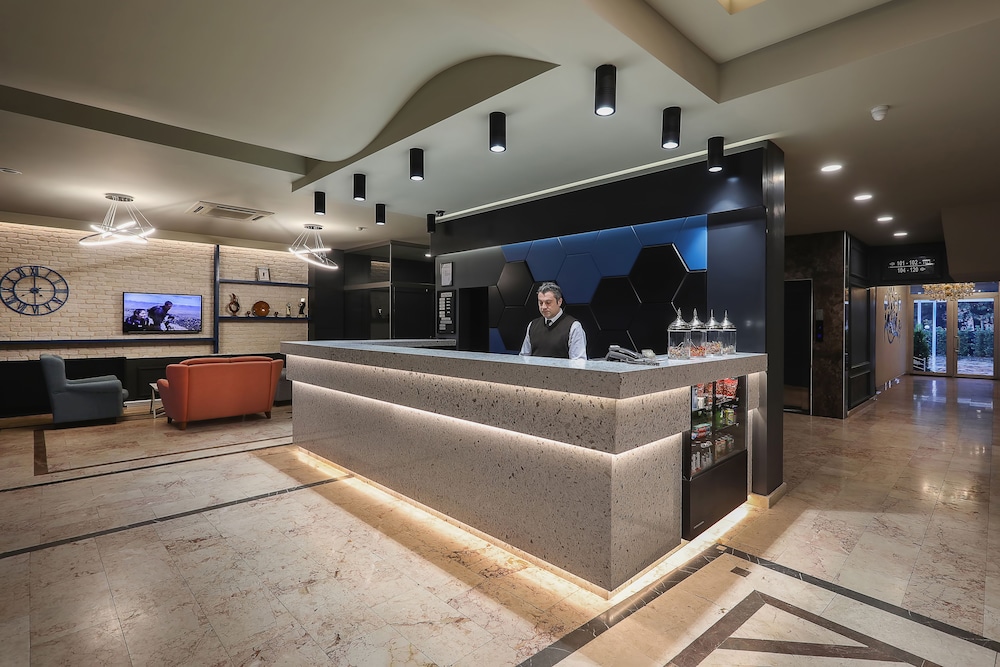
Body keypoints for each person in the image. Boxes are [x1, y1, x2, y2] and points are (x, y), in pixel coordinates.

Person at [519, 282, 588, 360]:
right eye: (540, 303)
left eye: (548, 302)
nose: (543, 307)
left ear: (559, 302)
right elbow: (523, 358)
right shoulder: (532, 325)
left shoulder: (573, 326)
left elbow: (578, 362)